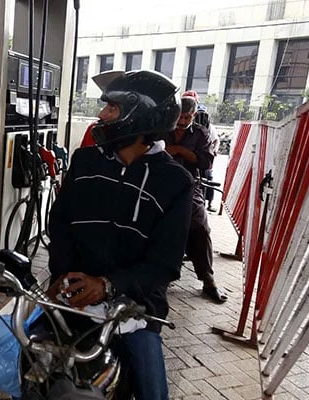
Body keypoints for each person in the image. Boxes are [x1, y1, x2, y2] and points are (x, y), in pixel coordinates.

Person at [48, 70, 193, 400]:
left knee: (152, 392)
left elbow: (165, 264)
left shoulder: (175, 183)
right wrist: (63, 275)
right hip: (72, 299)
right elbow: (60, 225)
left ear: (139, 115)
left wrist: (109, 285)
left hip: (136, 310)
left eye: (111, 108)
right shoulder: (84, 162)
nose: (101, 115)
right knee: (30, 371)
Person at [161, 96, 228, 303]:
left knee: (200, 227)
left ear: (194, 115)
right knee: (160, 227)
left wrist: (180, 150)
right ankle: (159, 277)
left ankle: (208, 280)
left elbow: (205, 162)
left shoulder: (201, 133)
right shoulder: (163, 128)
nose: (182, 121)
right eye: (179, 116)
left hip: (190, 185)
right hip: (161, 185)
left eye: (187, 117)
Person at [194, 103, 220, 212]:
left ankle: (210, 204)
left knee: (209, 179)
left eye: (203, 114)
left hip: (206, 159)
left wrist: (215, 150)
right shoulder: (192, 127)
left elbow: (216, 140)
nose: (202, 117)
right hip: (195, 158)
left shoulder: (210, 128)